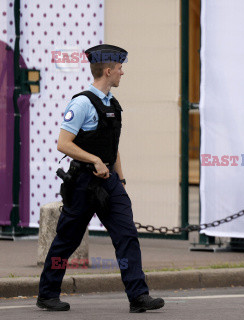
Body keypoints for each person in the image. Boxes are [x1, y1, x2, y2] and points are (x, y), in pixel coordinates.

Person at [37, 44, 164, 313]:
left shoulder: (112, 104)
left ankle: (138, 296)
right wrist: (93, 159)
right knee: (66, 241)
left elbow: (112, 146)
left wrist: (121, 180)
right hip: (83, 183)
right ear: (108, 71)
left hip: (110, 182)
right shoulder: (82, 103)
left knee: (127, 235)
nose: (122, 73)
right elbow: (63, 143)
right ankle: (47, 293)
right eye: (119, 69)